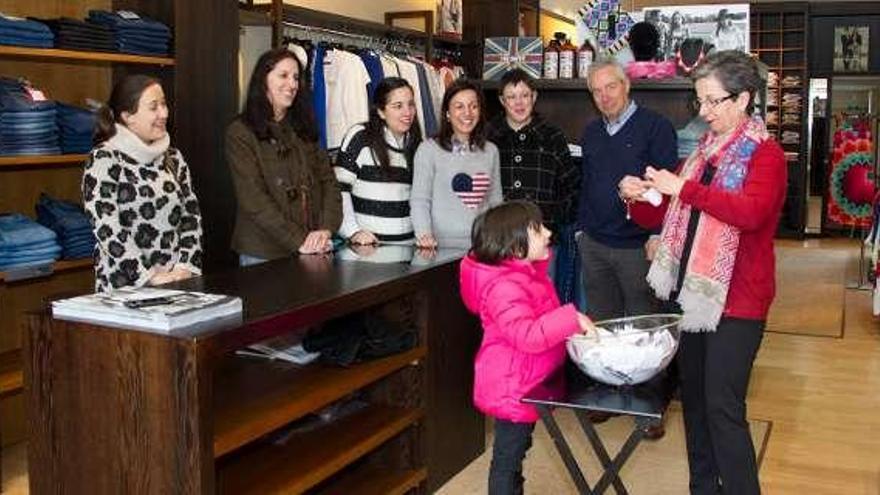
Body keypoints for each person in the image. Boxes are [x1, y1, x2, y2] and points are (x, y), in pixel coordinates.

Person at [620, 50, 786, 494]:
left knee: (722, 407)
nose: (705, 112)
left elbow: (750, 213)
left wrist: (684, 190)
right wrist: (639, 195)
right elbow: (661, 217)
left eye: (713, 101)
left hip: (740, 301)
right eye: (701, 102)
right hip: (691, 298)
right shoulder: (702, 156)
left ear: (744, 99)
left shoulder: (765, 155)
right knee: (693, 402)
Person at [459, 201, 595, 494]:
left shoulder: (528, 275)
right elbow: (527, 335)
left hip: (528, 381)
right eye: (538, 229)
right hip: (513, 387)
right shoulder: (504, 287)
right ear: (515, 245)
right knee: (507, 460)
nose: (548, 233)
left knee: (516, 453)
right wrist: (571, 319)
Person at [577, 59, 677, 322]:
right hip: (594, 245)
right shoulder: (591, 132)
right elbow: (586, 183)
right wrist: (581, 231)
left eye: (610, 87)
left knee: (645, 327)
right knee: (601, 325)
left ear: (627, 85)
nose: (604, 96)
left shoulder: (657, 127)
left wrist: (657, 235)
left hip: (638, 248)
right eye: (596, 91)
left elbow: (668, 190)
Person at [83, 75, 202, 293]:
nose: (164, 113)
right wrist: (148, 276)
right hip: (123, 290)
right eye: (153, 107)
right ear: (128, 116)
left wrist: (185, 267)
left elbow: (191, 216)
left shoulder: (173, 158)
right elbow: (107, 228)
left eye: (164, 104)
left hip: (176, 285)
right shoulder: (104, 158)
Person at [226, 48, 342, 266]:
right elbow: (254, 199)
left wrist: (326, 229)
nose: (292, 84)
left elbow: (329, 182)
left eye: (296, 77)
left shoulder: (305, 127)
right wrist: (300, 241)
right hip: (263, 253)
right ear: (263, 80)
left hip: (314, 249)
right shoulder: (240, 132)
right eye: (283, 75)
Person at [488, 68, 580, 245]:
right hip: (499, 238)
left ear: (534, 97)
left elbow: (573, 187)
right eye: (511, 97)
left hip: (543, 239)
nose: (519, 103)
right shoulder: (488, 137)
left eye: (525, 95)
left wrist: (551, 215)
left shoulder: (552, 137)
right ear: (502, 101)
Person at [410, 79, 502, 249]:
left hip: (482, 247)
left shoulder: (491, 151)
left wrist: (497, 240)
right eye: (459, 107)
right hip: (436, 248)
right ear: (447, 113)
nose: (467, 113)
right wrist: (424, 235)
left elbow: (495, 202)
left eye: (473, 106)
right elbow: (420, 200)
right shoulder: (428, 149)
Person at [335, 77, 422, 245]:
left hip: (408, 250)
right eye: (398, 106)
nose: (407, 112)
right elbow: (338, 189)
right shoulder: (360, 137)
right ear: (381, 111)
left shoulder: (417, 144)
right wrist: (353, 232)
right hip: (367, 252)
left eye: (410, 104)